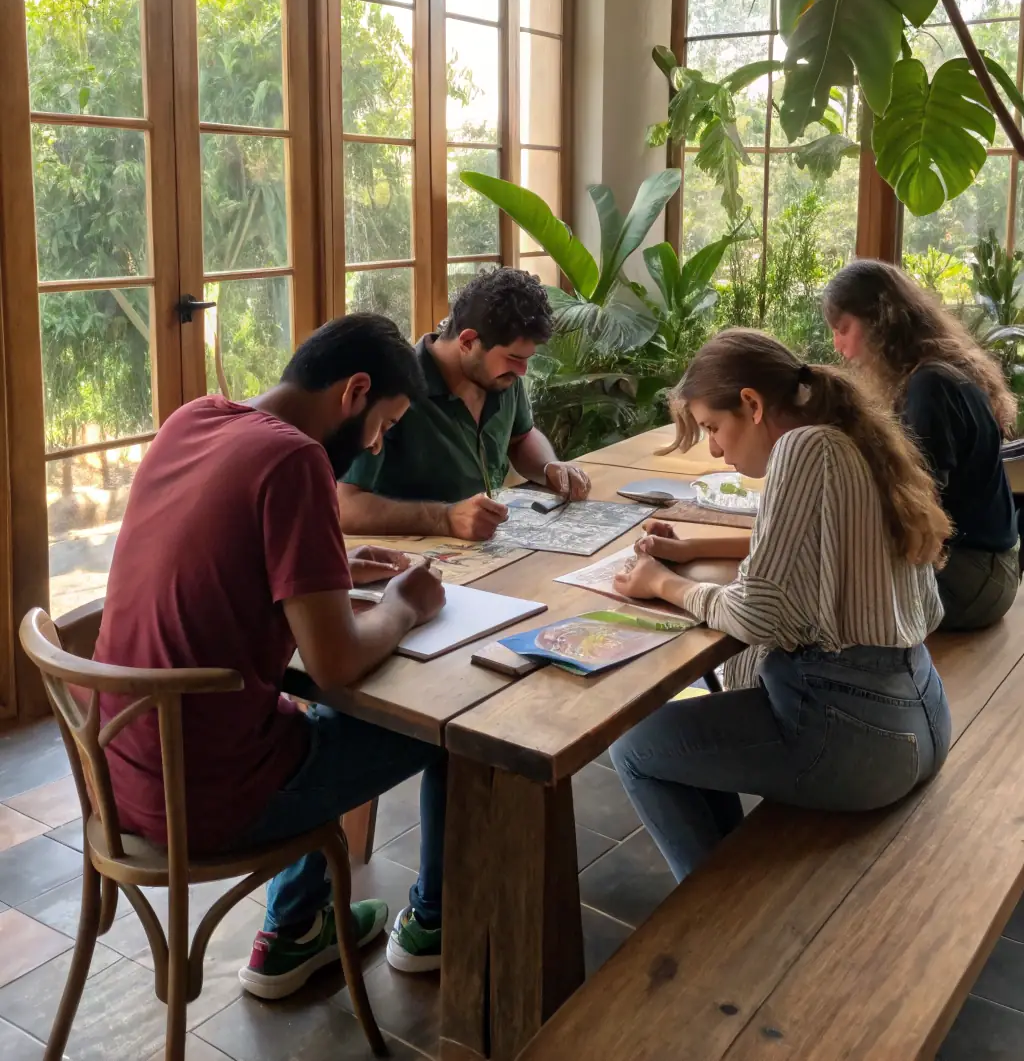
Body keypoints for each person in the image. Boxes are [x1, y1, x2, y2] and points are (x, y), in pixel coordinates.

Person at [92, 314, 450, 1000]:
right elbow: (336, 662)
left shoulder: (194, 417)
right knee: (449, 729)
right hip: (206, 798)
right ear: (355, 391)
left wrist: (333, 565)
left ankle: (296, 928)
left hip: (123, 774)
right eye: (385, 423)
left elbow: (219, 550)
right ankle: (432, 924)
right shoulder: (296, 459)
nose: (376, 445)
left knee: (298, 715)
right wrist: (405, 602)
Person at [607, 329, 952, 884]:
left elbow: (757, 616)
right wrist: (689, 549)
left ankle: (713, 914)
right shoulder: (848, 436)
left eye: (715, 428)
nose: (715, 448)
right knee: (685, 734)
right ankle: (727, 873)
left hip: (858, 733)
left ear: (752, 403)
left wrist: (662, 584)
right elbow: (806, 543)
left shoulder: (803, 447)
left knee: (633, 746)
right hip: (920, 711)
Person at [823, 259, 1020, 631]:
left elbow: (918, 504)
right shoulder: (934, 374)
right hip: (987, 568)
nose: (839, 346)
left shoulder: (931, 386)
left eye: (843, 328)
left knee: (820, 591)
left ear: (880, 320)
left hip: (975, 576)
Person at [339, 268, 590, 539]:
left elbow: (522, 437)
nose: (522, 371)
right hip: (412, 559)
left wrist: (548, 467)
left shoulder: (501, 378)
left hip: (485, 548)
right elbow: (344, 506)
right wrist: (443, 519)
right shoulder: (393, 391)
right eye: (514, 358)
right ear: (468, 341)